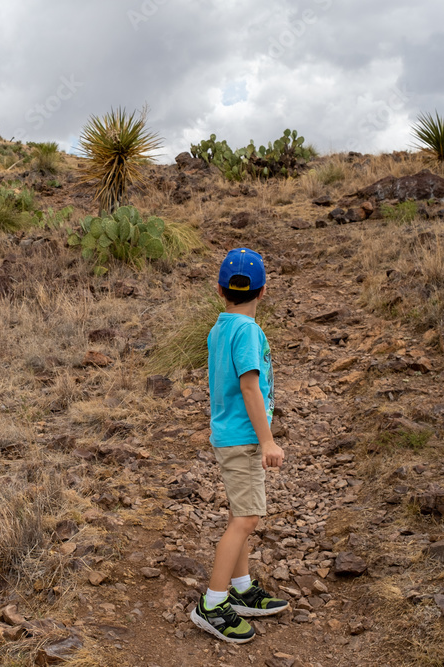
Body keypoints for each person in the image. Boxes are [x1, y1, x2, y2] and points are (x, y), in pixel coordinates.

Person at [189, 248, 290, 643]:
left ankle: (242, 587)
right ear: (263, 292)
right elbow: (250, 386)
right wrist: (267, 439)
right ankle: (212, 604)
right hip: (244, 437)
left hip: (229, 434)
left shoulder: (220, 326)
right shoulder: (247, 330)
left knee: (241, 513)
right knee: (246, 520)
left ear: (219, 290)